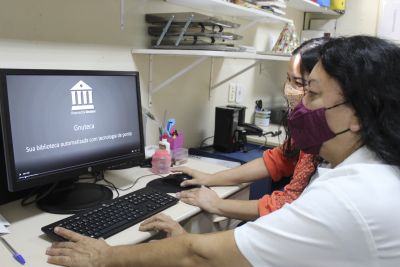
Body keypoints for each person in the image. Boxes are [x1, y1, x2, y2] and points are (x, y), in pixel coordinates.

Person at [45, 36, 400, 266]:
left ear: (358, 112)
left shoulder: (349, 198)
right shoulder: (368, 169)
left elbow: (201, 256)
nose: (301, 105)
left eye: (312, 93)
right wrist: (195, 239)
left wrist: (106, 256)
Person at [168, 38, 327, 221]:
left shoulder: (322, 139)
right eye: (288, 79)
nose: (289, 89)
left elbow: (288, 204)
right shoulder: (307, 126)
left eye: (298, 83)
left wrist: (218, 205)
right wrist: (210, 178)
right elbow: (281, 158)